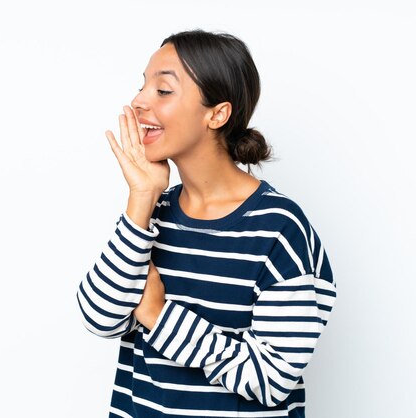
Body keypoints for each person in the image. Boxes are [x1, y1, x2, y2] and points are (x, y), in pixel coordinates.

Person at [76, 29, 337, 418]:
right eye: (142, 85)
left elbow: (269, 380)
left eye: (163, 91)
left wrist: (158, 316)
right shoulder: (153, 213)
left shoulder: (279, 229)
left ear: (217, 113)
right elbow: (100, 316)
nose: (139, 100)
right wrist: (142, 196)